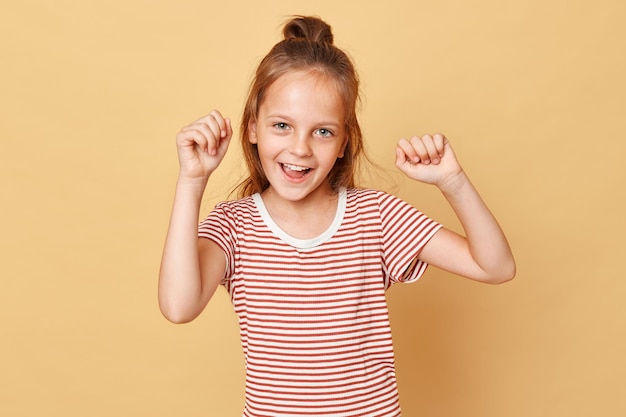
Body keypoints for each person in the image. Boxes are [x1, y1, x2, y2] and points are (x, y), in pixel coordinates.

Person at [159, 15, 515, 417]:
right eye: (281, 125)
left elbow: (496, 266)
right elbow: (178, 306)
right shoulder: (234, 226)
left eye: (323, 132)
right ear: (252, 128)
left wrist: (453, 181)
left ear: (345, 141)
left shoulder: (376, 216)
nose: (300, 149)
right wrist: (192, 181)